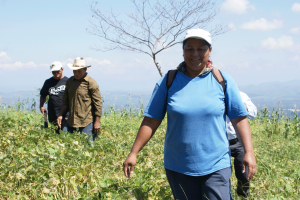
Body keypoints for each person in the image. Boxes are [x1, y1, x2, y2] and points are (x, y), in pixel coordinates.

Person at [123, 29, 257, 200]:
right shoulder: (169, 81)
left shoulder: (222, 80)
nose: (195, 54)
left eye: (201, 49)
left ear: (209, 51)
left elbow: (239, 118)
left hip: (216, 164)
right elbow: (151, 120)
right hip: (179, 165)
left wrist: (249, 152)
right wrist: (133, 153)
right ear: (183, 51)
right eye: (189, 49)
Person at [57, 57, 102, 141]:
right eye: (74, 71)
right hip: (71, 120)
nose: (76, 73)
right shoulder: (70, 81)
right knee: (64, 143)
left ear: (85, 69)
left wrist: (97, 122)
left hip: (86, 121)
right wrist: (60, 115)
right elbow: (65, 101)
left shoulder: (91, 83)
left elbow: (98, 103)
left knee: (88, 147)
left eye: (79, 71)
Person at [227, 91, 257, 198]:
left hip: (237, 141)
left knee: (244, 174)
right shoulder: (213, 94)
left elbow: (253, 113)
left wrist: (239, 106)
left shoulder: (238, 95)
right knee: (222, 175)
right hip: (220, 142)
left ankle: (242, 194)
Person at [40, 61, 69, 133]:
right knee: (56, 133)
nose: (56, 74)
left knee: (65, 133)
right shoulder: (48, 82)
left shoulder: (68, 81)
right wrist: (41, 106)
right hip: (52, 113)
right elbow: (43, 95)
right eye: (53, 72)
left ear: (62, 70)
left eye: (58, 71)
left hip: (66, 113)